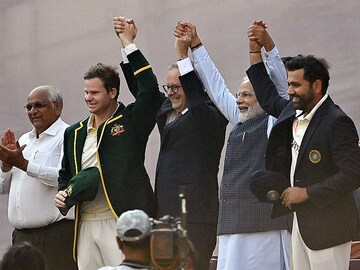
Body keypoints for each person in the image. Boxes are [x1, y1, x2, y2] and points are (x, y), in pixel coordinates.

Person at [174, 21, 291, 270]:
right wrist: (192, 48)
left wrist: (267, 48)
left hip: (263, 229)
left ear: (264, 97)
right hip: (230, 227)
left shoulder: (274, 122)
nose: (238, 100)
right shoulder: (239, 120)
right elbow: (215, 86)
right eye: (238, 94)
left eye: (247, 95)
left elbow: (281, 86)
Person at [117, 18, 228, 270]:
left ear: (195, 86)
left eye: (178, 87)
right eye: (169, 87)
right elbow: (142, 89)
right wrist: (127, 44)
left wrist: (183, 55)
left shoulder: (211, 114)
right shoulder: (167, 108)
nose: (171, 92)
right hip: (165, 213)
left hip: (197, 216)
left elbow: (198, 103)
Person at [55, 18, 164, 270]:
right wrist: (62, 196)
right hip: (85, 223)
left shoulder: (131, 120)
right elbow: (65, 176)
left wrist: (128, 44)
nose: (87, 98)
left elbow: (149, 91)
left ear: (112, 92)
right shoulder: (74, 131)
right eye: (85, 92)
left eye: (94, 93)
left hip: (123, 220)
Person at [247, 27, 360, 270]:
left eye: (296, 85)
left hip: (330, 226)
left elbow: (353, 174)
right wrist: (256, 51)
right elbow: (266, 97)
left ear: (317, 85)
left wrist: (307, 193)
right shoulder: (293, 110)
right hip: (301, 223)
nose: (289, 91)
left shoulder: (337, 121)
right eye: (289, 84)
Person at [0, 85, 77, 270]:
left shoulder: (69, 135)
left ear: (58, 107)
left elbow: (65, 180)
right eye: (29, 107)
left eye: (39, 105)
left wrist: (24, 164)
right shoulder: (24, 139)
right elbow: (3, 188)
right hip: (21, 237)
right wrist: (6, 165)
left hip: (54, 236)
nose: (33, 111)